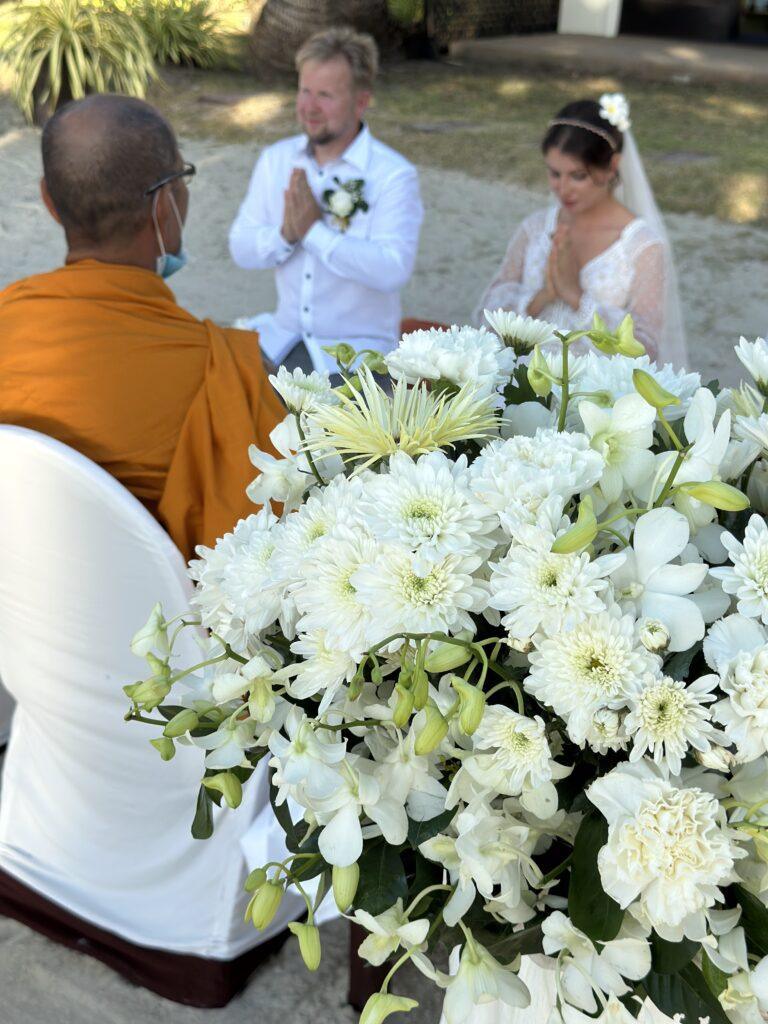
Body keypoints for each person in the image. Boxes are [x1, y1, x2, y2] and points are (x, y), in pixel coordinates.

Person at [0, 93, 284, 561]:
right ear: (166, 203)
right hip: (150, 626)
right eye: (182, 177)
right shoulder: (225, 375)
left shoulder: (11, 320)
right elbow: (268, 556)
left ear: (48, 201)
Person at [229, 26, 423, 376]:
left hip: (359, 354)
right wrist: (286, 236)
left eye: (325, 95)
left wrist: (314, 233)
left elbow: (393, 269)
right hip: (282, 338)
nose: (309, 107)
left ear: (361, 101)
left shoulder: (393, 175)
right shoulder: (276, 159)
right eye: (304, 91)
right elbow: (240, 247)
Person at [475, 95, 687, 367]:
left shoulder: (642, 247)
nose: (563, 189)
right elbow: (484, 317)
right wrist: (543, 297)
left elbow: (647, 348)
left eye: (577, 176)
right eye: (554, 173)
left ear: (611, 166)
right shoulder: (535, 229)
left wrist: (576, 296)